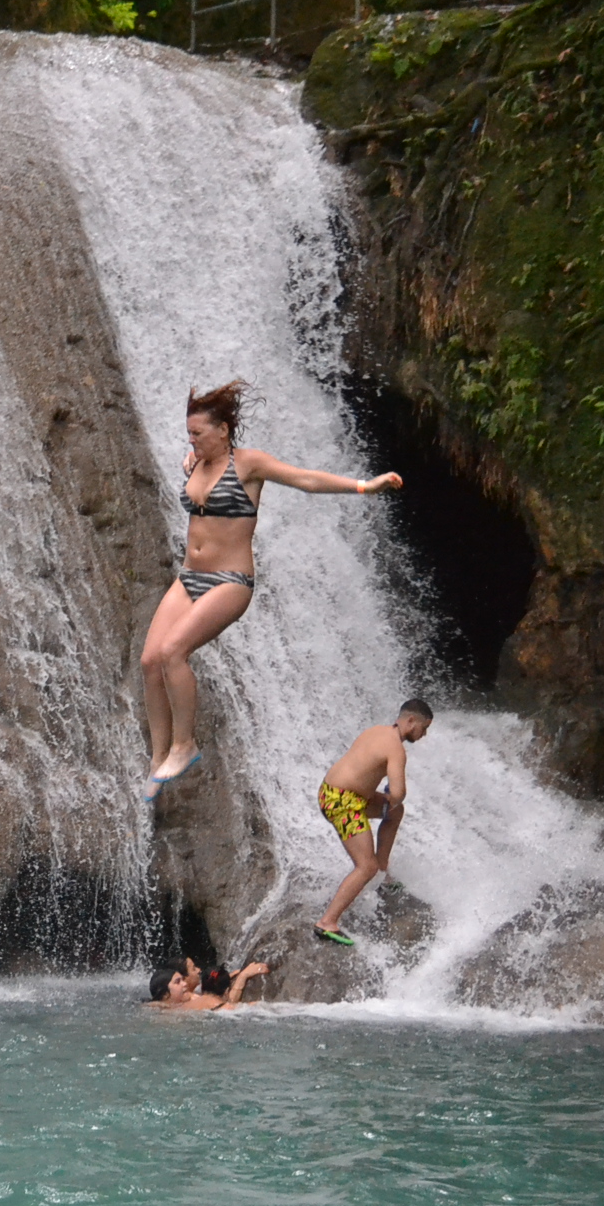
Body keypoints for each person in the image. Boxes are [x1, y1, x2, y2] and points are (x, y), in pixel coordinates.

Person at [142, 382, 402, 799]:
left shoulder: (249, 465)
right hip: (188, 577)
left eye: (198, 433)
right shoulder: (196, 465)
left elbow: (306, 480)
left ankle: (184, 745)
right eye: (189, 434)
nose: (191, 440)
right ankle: (158, 761)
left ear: (224, 430)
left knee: (174, 653)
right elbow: (197, 489)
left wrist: (363, 486)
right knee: (150, 661)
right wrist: (191, 461)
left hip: (230, 582)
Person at [311, 698, 434, 947]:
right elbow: (398, 793)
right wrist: (392, 796)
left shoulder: (375, 731)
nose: (424, 734)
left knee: (394, 813)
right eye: (424, 727)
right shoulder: (396, 750)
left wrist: (389, 801)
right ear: (411, 721)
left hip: (336, 793)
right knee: (365, 866)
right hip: (342, 803)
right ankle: (327, 922)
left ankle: (383, 871)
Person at [146, 956, 271, 1009]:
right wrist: (243, 977)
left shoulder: (186, 1001)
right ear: (166, 995)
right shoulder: (201, 1001)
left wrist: (228, 977)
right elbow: (227, 1006)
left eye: (182, 980)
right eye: (178, 982)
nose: (199, 970)